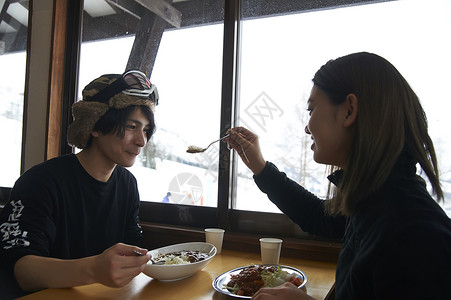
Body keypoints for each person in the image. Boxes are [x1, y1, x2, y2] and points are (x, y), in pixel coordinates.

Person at [225, 52, 451, 299]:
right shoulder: (376, 201)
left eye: (311, 110)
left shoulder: (414, 233)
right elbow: (320, 217)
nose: (307, 126)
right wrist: (259, 165)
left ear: (349, 111)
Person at [0, 70, 159, 298]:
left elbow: (129, 249)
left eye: (145, 130)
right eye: (131, 127)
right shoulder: (40, 182)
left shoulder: (127, 185)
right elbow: (21, 271)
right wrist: (94, 270)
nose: (141, 141)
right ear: (95, 125)